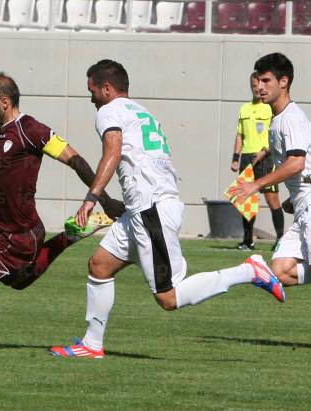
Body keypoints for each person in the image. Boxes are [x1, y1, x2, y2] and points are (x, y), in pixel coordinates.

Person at [49, 59, 285, 359]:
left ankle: (248, 271)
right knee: (100, 265)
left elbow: (113, 150)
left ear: (106, 89)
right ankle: (91, 344)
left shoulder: (109, 111)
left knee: (168, 297)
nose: (91, 98)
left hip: (151, 210)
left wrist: (91, 198)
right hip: (144, 209)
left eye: (92, 90)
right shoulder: (140, 110)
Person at [0, 72, 126, 349]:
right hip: (6, 231)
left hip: (18, 236)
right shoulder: (0, 132)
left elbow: (76, 161)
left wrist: (104, 199)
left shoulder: (31, 130)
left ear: (4, 101)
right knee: (18, 281)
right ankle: (70, 235)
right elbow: (1, 174)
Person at [229, 53, 311, 290]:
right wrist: (295, 197)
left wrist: (255, 184)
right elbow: (305, 169)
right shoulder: (277, 119)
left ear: (283, 82)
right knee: (281, 271)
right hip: (303, 206)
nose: (260, 87)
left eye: (266, 81)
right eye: (258, 81)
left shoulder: (291, 118)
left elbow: (296, 162)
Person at [231, 72, 283, 251]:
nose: (257, 88)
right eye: (254, 85)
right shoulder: (244, 108)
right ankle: (248, 241)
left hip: (266, 158)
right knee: (246, 200)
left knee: (272, 199)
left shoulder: (270, 108)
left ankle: (281, 239)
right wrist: (236, 158)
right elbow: (240, 135)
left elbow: (275, 136)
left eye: (260, 84)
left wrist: (263, 152)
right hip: (246, 158)